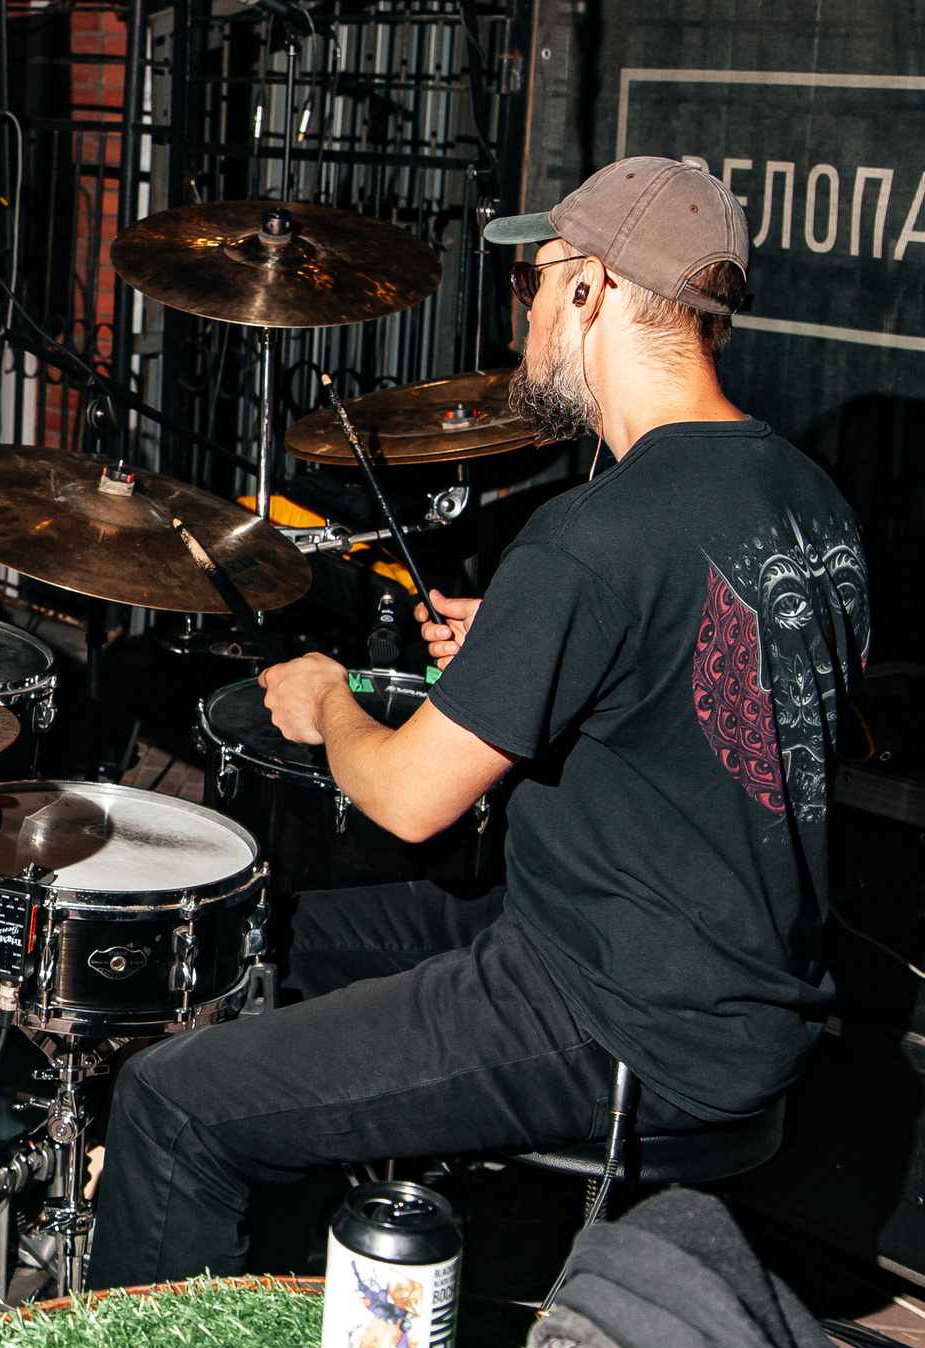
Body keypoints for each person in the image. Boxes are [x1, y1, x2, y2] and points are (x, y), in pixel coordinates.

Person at [85, 157, 871, 1289]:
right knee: (269, 937)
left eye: (534, 284)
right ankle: (314, 1283)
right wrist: (528, 647)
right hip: (706, 972)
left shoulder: (592, 534)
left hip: (621, 1013)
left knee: (174, 1099)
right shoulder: (807, 498)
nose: (529, 316)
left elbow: (407, 801)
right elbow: (709, 691)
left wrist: (331, 708)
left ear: (591, 288)